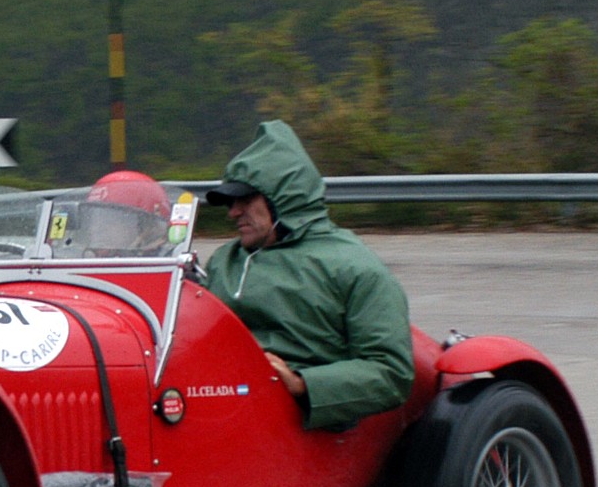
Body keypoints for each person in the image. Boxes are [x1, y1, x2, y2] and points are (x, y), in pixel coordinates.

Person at [201, 121, 413, 431]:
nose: (233, 212)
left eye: (245, 200)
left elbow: (391, 372)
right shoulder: (224, 261)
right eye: (231, 203)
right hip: (218, 404)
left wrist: (302, 383)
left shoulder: (354, 267)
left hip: (299, 421)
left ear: (280, 200)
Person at [61, 170, 174, 257]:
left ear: (147, 226)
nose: (97, 228)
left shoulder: (169, 268)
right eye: (95, 219)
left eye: (109, 220)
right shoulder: (76, 261)